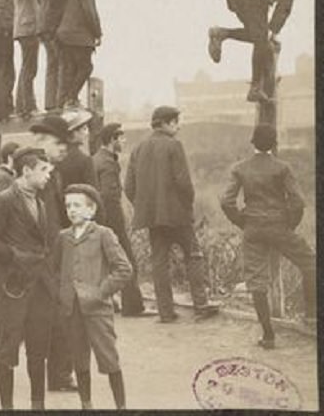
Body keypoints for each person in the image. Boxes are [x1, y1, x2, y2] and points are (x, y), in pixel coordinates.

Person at [0, 147, 57, 410]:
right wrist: (15, 256)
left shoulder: (41, 202)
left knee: (38, 352)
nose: (49, 175)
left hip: (40, 290)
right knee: (7, 353)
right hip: (13, 289)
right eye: (44, 170)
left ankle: (38, 407)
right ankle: (7, 408)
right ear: (26, 170)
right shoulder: (4, 200)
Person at [220, 124, 315, 348]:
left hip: (253, 227)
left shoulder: (240, 168)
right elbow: (298, 201)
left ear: (252, 143)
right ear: (274, 144)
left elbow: (226, 202)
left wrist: (242, 221)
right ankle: (312, 315)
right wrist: (290, 224)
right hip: (279, 226)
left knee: (256, 282)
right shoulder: (282, 168)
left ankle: (268, 336)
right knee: (310, 263)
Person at [125, 106, 219, 323]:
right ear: (166, 123)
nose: (179, 126)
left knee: (159, 263)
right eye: (176, 122)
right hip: (177, 216)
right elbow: (184, 183)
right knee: (193, 255)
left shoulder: (138, 148)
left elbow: (128, 187)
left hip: (153, 219)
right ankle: (201, 306)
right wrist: (187, 207)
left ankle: (165, 313)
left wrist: (145, 207)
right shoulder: (174, 146)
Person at [57, 184, 132, 409]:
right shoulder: (63, 237)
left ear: (91, 210)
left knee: (109, 360)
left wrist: (101, 291)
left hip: (98, 310)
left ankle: (121, 407)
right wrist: (61, 294)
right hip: (71, 310)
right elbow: (55, 271)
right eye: (68, 205)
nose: (71, 210)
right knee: (80, 361)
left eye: (77, 205)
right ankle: (86, 405)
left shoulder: (103, 234)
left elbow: (124, 269)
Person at [208, 0, 313, 103]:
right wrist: (273, 30)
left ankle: (221, 33)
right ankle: (255, 88)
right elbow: (285, 4)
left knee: (256, 36)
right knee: (262, 40)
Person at [28, 115, 76, 392]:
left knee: (60, 315)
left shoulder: (54, 173)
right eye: (60, 144)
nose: (64, 149)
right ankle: (57, 375)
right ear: (42, 141)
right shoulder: (30, 175)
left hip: (55, 255)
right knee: (50, 317)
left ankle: (59, 375)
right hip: (40, 259)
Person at [93, 123, 149, 316]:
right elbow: (109, 197)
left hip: (99, 220)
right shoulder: (108, 164)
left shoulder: (96, 160)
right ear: (112, 140)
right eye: (121, 138)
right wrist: (117, 224)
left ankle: (106, 302)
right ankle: (133, 306)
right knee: (127, 261)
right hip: (111, 220)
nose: (124, 141)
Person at [39, 0, 81, 112]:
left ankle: (54, 103)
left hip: (52, 25)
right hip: (52, 26)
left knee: (55, 64)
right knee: (58, 64)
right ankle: (56, 103)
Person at [57, 0, 103, 109]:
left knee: (71, 68)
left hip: (64, 35)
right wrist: (98, 33)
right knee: (85, 67)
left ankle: (66, 100)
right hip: (79, 36)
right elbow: (89, 12)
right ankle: (71, 98)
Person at [13, 0, 45, 119]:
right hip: (27, 28)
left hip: (31, 29)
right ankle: (27, 107)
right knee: (29, 68)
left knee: (29, 67)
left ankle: (23, 106)